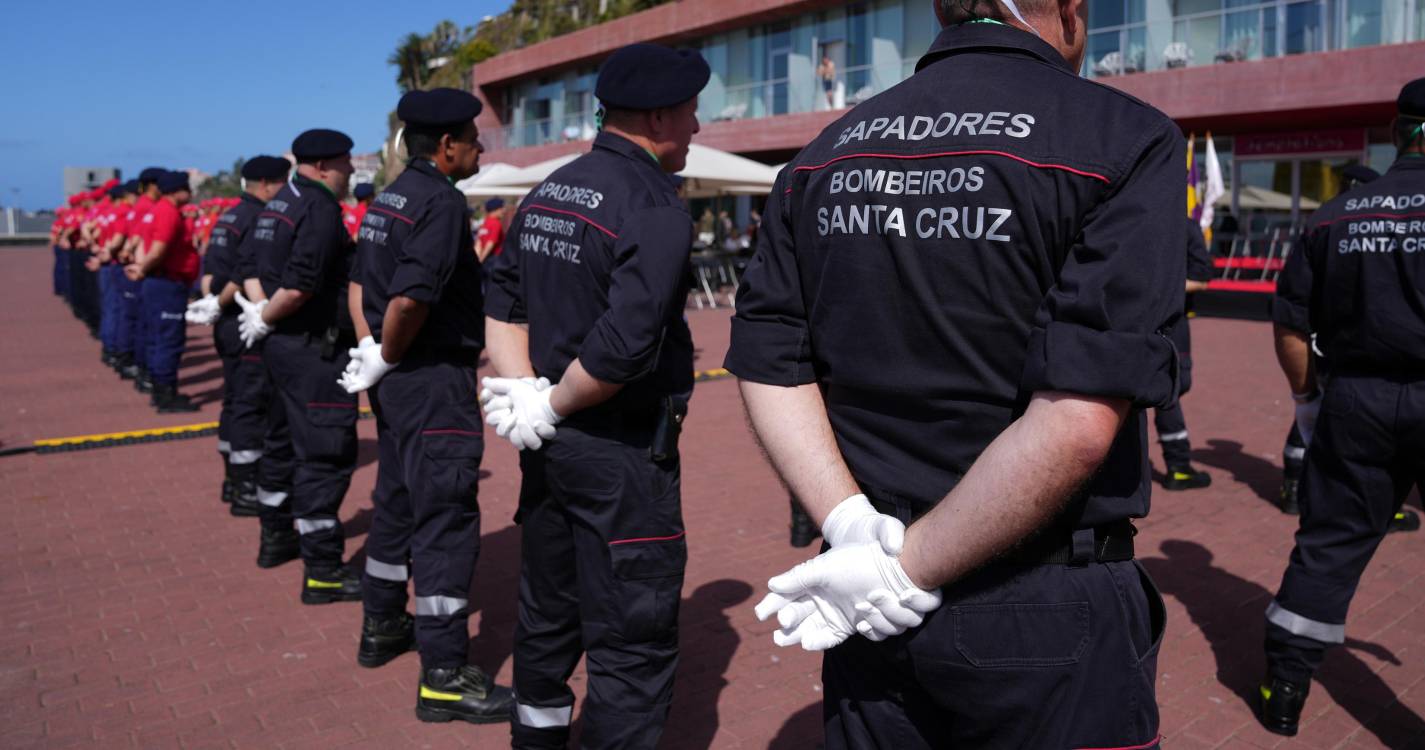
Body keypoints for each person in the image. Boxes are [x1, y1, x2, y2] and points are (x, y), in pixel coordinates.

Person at [726, 1, 1183, 746]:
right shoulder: (1122, 138)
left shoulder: (822, 152)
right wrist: (904, 574)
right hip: (1029, 600)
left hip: (863, 588)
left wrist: (849, 528)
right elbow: (1074, 421)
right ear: (1067, 9)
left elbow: (769, 359)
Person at [481, 42, 708, 748]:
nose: (697, 130)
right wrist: (545, 403)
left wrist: (527, 395)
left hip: (550, 449)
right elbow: (622, 350)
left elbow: (501, 295)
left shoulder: (550, 188)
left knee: (546, 615)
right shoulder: (652, 206)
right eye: (693, 114)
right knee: (631, 645)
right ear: (661, 115)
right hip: (617, 453)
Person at [339, 86, 516, 725]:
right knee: (443, 519)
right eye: (474, 139)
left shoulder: (388, 198)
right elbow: (410, 301)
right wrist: (389, 349)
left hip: (396, 380)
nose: (481, 148)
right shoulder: (440, 203)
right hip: (432, 377)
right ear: (446, 147)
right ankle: (443, 673)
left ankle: (383, 624)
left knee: (397, 501)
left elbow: (361, 286)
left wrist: (374, 352)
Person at [1258, 77, 1425, 737]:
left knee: (1327, 544)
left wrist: (1306, 404)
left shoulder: (1333, 216)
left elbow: (1289, 325)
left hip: (1354, 400)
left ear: (1395, 134)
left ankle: (1283, 690)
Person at [237, 128, 362, 599]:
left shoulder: (277, 204)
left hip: (282, 349)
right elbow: (301, 285)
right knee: (324, 455)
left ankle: (275, 538)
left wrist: (260, 313)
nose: (351, 172)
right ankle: (324, 569)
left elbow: (248, 265)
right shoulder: (320, 209)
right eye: (347, 164)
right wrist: (268, 315)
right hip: (313, 350)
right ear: (326, 166)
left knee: (281, 443)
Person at [187, 156, 292, 516]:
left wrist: (211, 300)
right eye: (283, 182)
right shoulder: (257, 218)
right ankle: (246, 485)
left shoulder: (228, 217)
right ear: (266, 184)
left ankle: (233, 479)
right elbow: (242, 271)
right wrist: (220, 301)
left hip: (226, 323)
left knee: (234, 401)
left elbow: (210, 270)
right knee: (251, 403)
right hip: (244, 320)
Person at [123, 171, 201, 413]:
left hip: (160, 282)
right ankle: (166, 394)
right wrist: (143, 269)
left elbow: (143, 243)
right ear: (177, 190)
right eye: (186, 188)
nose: (190, 193)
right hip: (166, 283)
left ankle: (161, 389)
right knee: (168, 340)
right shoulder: (167, 213)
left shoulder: (158, 210)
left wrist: (140, 267)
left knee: (158, 337)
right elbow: (158, 250)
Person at [1154, 218, 1214, 490]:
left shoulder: (1185, 226)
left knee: (1175, 386)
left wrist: (1157, 289)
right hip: (1135, 320)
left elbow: (1201, 279)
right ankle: (1177, 465)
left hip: (1171, 321)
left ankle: (1178, 465)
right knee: (1162, 391)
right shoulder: (1132, 214)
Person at [118, 167, 167, 392]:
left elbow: (133, 239)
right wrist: (141, 267)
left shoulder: (141, 207)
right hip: (148, 273)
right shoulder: (149, 207)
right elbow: (139, 240)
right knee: (146, 325)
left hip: (141, 270)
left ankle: (140, 366)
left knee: (139, 321)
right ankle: (145, 370)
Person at [474, 198, 505, 262]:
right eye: (501, 208)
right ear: (495, 210)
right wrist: (481, 260)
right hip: (494, 260)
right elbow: (490, 243)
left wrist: (476, 261)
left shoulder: (485, 223)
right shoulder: (496, 224)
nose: (503, 211)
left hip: (485, 259)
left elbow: (479, 243)